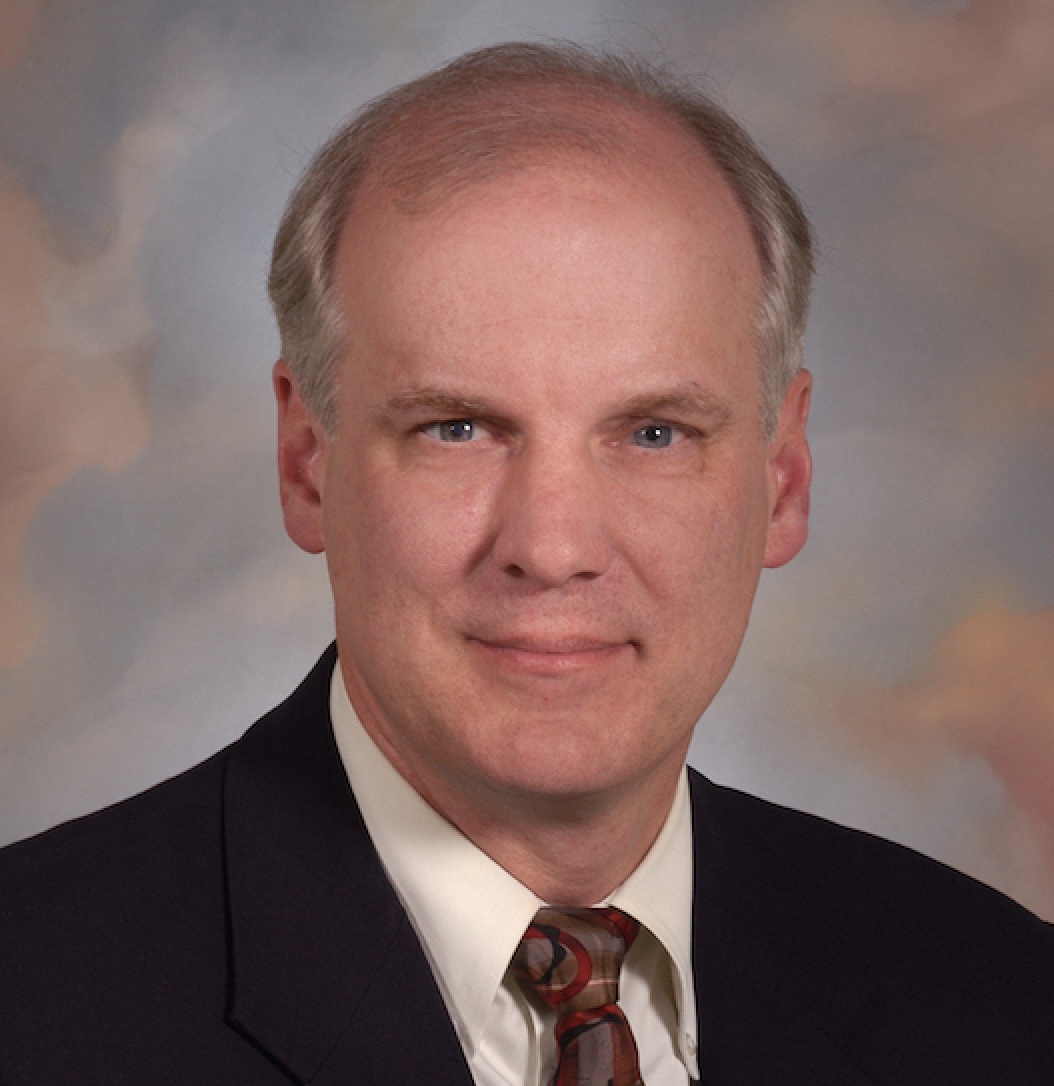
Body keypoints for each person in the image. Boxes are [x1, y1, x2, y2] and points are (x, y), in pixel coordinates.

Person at [1, 42, 1051, 1086]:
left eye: (653, 434)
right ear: (305, 462)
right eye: (457, 428)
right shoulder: (35, 1002)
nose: (550, 551)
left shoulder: (999, 1001)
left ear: (780, 478)